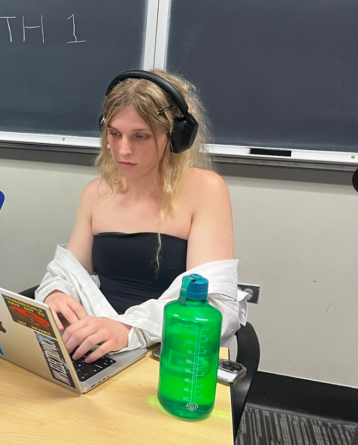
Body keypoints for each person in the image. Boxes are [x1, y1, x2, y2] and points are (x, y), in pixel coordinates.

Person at [35, 69, 248, 363]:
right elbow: (68, 273)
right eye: (114, 134)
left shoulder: (205, 190)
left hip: (167, 353)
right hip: (100, 345)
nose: (122, 150)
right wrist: (56, 294)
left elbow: (210, 304)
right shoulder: (96, 193)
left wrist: (128, 328)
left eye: (141, 136)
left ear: (175, 137)